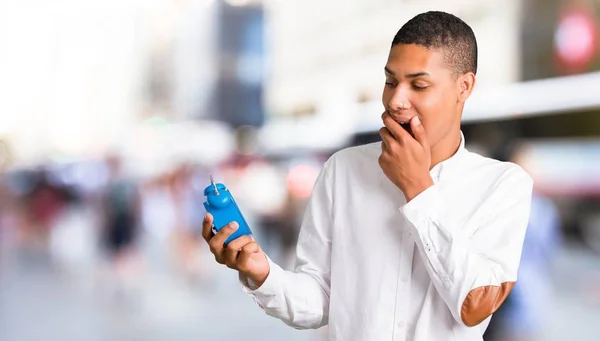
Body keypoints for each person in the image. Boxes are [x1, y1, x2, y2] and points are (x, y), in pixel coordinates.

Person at [202, 11, 534, 341]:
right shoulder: (342, 170)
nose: (396, 100)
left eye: (418, 84)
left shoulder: (504, 185)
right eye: (390, 81)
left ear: (464, 87)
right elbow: (320, 300)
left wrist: (417, 187)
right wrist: (262, 274)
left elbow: (474, 305)